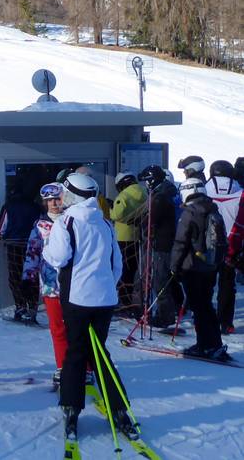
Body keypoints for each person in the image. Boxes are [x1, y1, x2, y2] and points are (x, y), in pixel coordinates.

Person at [43, 172, 137, 442]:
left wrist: (47, 249)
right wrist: (106, 286)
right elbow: (116, 263)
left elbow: (59, 257)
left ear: (73, 195)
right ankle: (119, 408)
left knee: (76, 352)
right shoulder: (105, 222)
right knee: (99, 353)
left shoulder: (66, 222)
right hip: (104, 299)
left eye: (65, 192)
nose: (62, 197)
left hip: (77, 298)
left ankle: (71, 408)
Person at [171, 177, 229, 359]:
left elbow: (180, 242)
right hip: (211, 266)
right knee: (207, 306)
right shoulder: (213, 209)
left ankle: (204, 345)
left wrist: (174, 266)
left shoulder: (190, 213)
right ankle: (214, 343)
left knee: (199, 308)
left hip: (193, 267)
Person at [22, 183, 68, 387]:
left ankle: (84, 367)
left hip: (75, 285)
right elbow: (32, 252)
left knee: (78, 329)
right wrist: (28, 277)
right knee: (57, 328)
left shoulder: (72, 221)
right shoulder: (40, 226)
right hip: (51, 285)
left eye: (57, 199)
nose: (54, 204)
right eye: (50, 201)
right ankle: (62, 366)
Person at [137, 165, 183, 329]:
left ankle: (165, 316)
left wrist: (142, 222)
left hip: (161, 244)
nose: (145, 185)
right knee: (165, 278)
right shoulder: (168, 192)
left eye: (147, 181)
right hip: (167, 241)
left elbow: (151, 219)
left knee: (160, 280)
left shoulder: (160, 197)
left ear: (152, 181)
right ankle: (176, 307)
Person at [203, 160, 242, 335]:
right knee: (227, 284)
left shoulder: (204, 191)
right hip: (232, 246)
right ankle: (225, 323)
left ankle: (205, 320)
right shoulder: (240, 193)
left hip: (208, 245)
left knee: (206, 284)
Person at [0, 179, 41, 322]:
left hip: (14, 244)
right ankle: (32, 307)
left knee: (15, 276)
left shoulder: (9, 206)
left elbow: (1, 227)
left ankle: (20, 306)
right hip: (32, 245)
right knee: (31, 276)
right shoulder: (35, 207)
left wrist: (1, 235)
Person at [109, 173, 147, 315]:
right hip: (137, 236)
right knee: (132, 270)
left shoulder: (124, 196)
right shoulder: (144, 192)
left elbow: (116, 215)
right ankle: (132, 300)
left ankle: (125, 302)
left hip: (123, 237)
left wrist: (110, 207)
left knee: (122, 270)